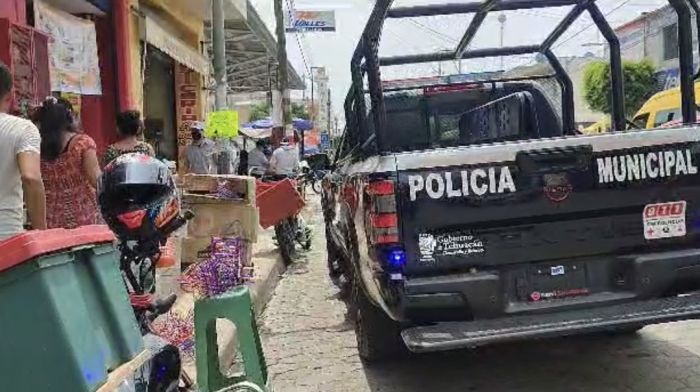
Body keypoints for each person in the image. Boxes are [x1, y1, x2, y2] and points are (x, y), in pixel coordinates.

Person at [37, 97, 101, 229]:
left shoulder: (37, 149)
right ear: (68, 118)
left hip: (51, 220)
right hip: (84, 217)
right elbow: (96, 180)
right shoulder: (82, 144)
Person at [0, 62, 46, 239]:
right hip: (5, 236)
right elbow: (31, 177)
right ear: (10, 94)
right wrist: (42, 233)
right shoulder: (22, 129)